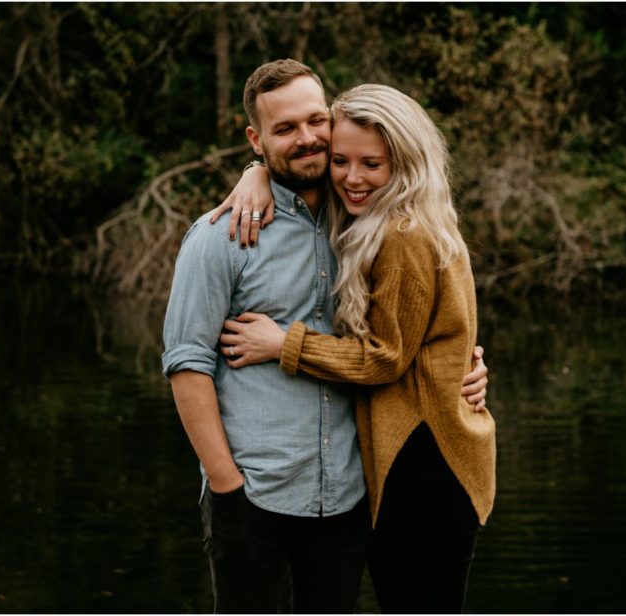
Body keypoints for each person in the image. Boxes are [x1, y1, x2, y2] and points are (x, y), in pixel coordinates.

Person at [161, 59, 489, 614]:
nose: (307, 138)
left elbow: (408, 331)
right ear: (256, 139)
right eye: (284, 129)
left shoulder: (365, 219)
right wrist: (225, 483)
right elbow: (186, 362)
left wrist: (464, 364)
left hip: (346, 496)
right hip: (253, 490)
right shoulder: (221, 236)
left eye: (316, 122)